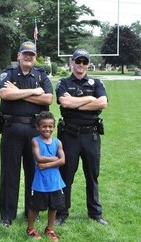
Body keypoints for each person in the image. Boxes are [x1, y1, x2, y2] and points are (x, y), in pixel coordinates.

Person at [0, 41, 53, 227]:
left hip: (33, 130)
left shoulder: (41, 75)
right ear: (19, 55)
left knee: (34, 171)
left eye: (31, 54)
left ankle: (32, 210)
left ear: (35, 57)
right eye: (25, 53)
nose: (28, 57)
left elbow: (48, 98)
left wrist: (19, 92)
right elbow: (5, 94)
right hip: (12, 129)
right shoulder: (9, 73)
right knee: (9, 173)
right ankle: (7, 214)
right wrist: (33, 92)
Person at [55, 49, 108, 226]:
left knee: (92, 175)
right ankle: (62, 212)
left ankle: (95, 213)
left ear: (88, 64)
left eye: (85, 62)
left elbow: (102, 103)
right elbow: (65, 102)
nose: (81, 65)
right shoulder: (63, 83)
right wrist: (89, 99)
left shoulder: (96, 82)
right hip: (69, 135)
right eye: (78, 61)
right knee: (66, 175)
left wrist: (77, 103)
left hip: (91, 135)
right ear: (72, 62)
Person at [26, 111, 65, 241]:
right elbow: (38, 158)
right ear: (38, 127)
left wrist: (46, 165)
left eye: (50, 126)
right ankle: (30, 228)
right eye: (44, 126)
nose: (47, 129)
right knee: (35, 207)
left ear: (53, 127)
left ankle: (50, 229)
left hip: (55, 182)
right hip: (40, 183)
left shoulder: (58, 142)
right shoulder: (35, 141)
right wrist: (55, 159)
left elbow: (63, 161)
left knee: (54, 207)